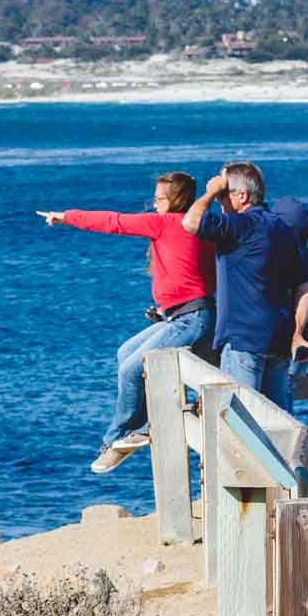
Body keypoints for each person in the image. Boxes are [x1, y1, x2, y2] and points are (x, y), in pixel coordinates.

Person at [36, 172, 216, 474]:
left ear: (177, 200)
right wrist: (166, 308)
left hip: (191, 319)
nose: (154, 204)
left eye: (159, 199)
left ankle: (118, 437)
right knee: (125, 352)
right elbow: (200, 276)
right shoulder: (201, 228)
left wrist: (67, 217)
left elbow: (113, 222)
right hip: (183, 315)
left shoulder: (165, 223)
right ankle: (149, 423)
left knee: (131, 370)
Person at [182, 163, 308, 412]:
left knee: (242, 427)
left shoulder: (239, 226)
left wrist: (208, 192)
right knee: (278, 426)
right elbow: (303, 285)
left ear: (242, 196)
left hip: (243, 340)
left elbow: (190, 221)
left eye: (223, 194)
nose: (220, 201)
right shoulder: (282, 228)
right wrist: (298, 331)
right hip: (279, 338)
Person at [270, 195, 308, 400]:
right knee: (286, 400)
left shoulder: (283, 255)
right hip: (302, 345)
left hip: (283, 342)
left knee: (277, 406)